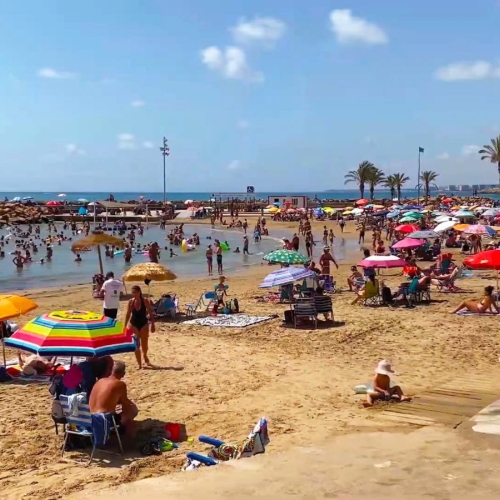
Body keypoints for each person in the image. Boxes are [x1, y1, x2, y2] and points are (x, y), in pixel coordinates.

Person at [89, 361, 138, 438]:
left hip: (90, 418)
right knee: (132, 410)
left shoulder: (99, 381)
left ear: (111, 371)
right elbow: (126, 406)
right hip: (103, 420)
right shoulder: (120, 384)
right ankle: (129, 438)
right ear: (123, 374)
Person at [124, 285, 155, 368]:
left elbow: (151, 313)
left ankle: (145, 355)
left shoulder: (145, 301)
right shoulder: (131, 302)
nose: (133, 294)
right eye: (132, 293)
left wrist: (153, 324)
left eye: (135, 292)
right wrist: (124, 326)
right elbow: (128, 314)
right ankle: (139, 364)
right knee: (136, 345)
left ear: (139, 292)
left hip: (144, 324)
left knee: (144, 346)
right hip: (133, 325)